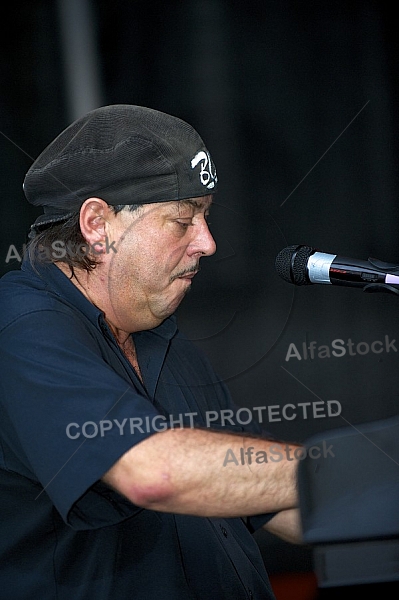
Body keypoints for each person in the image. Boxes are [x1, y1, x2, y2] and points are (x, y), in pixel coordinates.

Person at [0, 104, 301, 599]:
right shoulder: (21, 328)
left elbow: (271, 499)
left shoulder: (161, 337)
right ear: (99, 227)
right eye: (183, 220)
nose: (207, 242)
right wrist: (339, 469)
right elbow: (153, 471)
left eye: (205, 217)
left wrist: (369, 494)